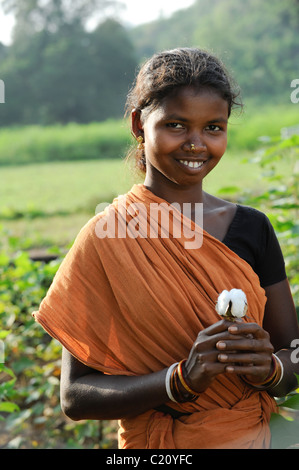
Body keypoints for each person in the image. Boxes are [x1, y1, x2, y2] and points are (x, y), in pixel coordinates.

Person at [33, 48, 299, 449]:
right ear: (140, 124)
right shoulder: (108, 236)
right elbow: (76, 396)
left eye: (214, 128)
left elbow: (292, 352)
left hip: (253, 437)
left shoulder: (252, 228)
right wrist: (179, 380)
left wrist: (270, 370)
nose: (196, 144)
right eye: (176, 125)